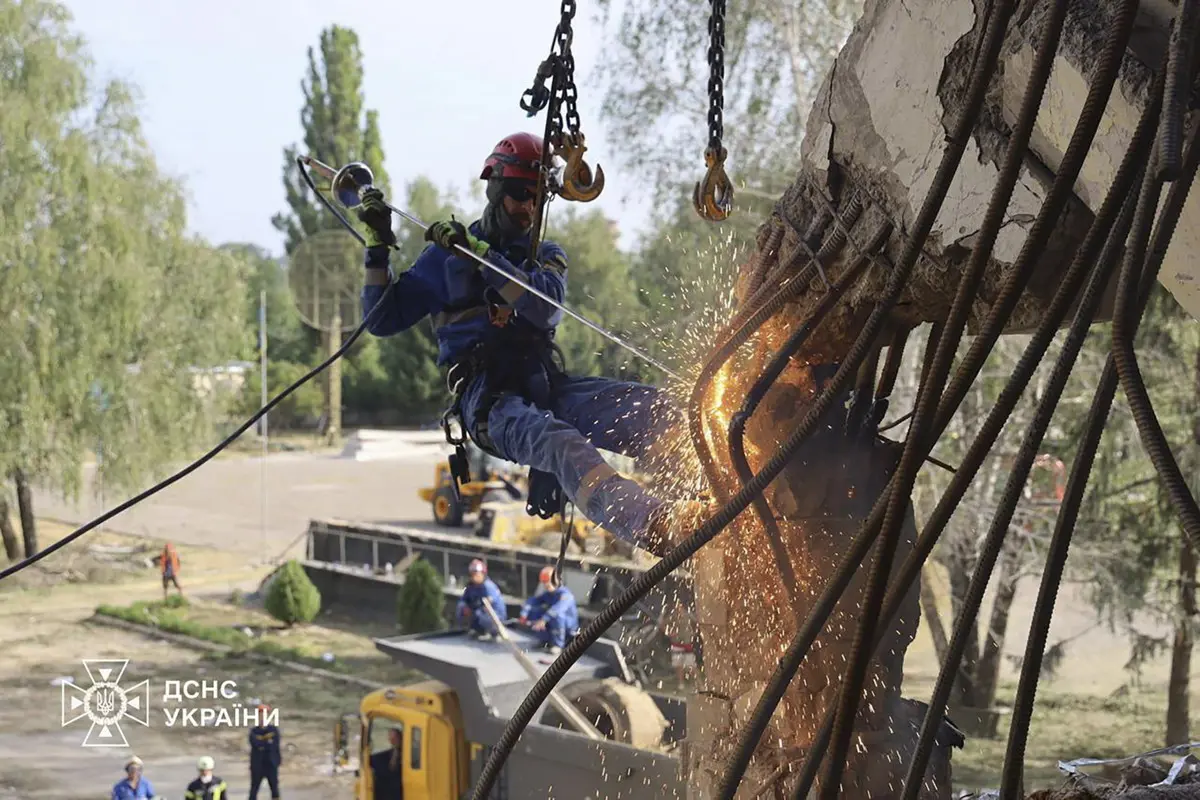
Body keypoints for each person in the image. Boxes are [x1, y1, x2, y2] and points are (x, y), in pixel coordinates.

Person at [356, 132, 701, 556]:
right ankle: (655, 525)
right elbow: (380, 319)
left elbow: (544, 309)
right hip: (489, 401)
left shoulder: (545, 255)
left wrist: (482, 255)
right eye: (519, 195)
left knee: (652, 408)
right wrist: (376, 250)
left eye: (537, 197)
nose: (528, 209)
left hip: (545, 385)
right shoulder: (444, 262)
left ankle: (713, 488)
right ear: (496, 191)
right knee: (559, 442)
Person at [518, 566, 579, 654]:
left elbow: (558, 609)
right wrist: (524, 613)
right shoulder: (548, 594)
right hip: (554, 624)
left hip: (568, 626)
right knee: (537, 611)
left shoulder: (566, 595)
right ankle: (544, 641)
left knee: (556, 615)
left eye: (548, 581)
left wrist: (544, 619)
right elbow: (533, 601)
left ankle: (558, 645)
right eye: (544, 582)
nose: (546, 585)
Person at [455, 559, 506, 640]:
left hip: (495, 615)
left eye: (476, 574)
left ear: (483, 574)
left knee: (480, 614)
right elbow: (464, 599)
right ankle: (474, 630)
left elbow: (488, 604)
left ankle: (494, 632)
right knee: (461, 606)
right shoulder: (470, 586)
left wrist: (477, 609)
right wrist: (466, 607)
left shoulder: (488, 586)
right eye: (472, 574)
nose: (474, 577)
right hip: (478, 610)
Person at [248, 704, 282, 800]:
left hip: (271, 764)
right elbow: (255, 744)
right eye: (260, 714)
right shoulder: (254, 731)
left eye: (264, 714)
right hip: (257, 765)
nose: (262, 716)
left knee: (274, 789)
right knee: (254, 790)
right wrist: (267, 743)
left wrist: (263, 744)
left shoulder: (274, 730)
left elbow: (275, 745)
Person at [368, 724, 405, 799]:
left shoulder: (406, 752)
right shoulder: (392, 752)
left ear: (400, 738)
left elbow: (393, 768)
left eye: (394, 738)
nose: (392, 740)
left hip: (398, 786)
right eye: (390, 738)